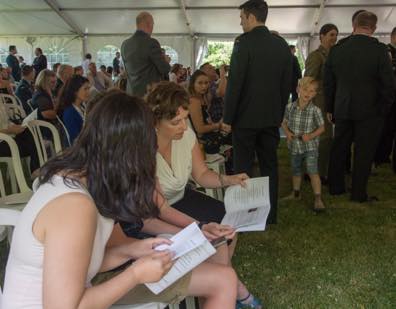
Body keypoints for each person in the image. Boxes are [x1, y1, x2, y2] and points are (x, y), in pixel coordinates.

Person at [2, 91, 238, 308]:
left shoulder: (84, 178)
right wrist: (135, 274)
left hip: (88, 288)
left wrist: (133, 250)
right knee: (222, 280)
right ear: (130, 152)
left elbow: (85, 263)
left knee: (223, 278)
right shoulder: (75, 205)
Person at [223, 0, 292, 224]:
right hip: (271, 116)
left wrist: (228, 117)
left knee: (242, 166)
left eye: (242, 18)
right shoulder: (281, 44)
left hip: (245, 118)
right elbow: (287, 84)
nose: (240, 22)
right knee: (269, 164)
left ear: (251, 17)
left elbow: (235, 84)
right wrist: (279, 111)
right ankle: (270, 215)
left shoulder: (243, 43)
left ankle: (244, 215)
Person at [324, 11, 395, 203]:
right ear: (374, 28)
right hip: (370, 111)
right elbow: (389, 85)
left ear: (353, 25)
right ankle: (358, 194)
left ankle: (336, 188)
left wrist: (330, 107)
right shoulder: (380, 51)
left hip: (343, 107)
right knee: (364, 152)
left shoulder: (338, 49)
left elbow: (328, 82)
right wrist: (383, 109)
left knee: (339, 148)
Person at [282, 77, 325, 211]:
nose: (308, 93)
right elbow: (284, 122)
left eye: (312, 91)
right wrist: (287, 133)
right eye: (305, 89)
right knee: (296, 170)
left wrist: (311, 135)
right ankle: (296, 193)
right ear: (298, 89)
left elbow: (322, 128)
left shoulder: (315, 110)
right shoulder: (290, 107)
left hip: (310, 147)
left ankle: (318, 198)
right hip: (295, 146)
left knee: (312, 171)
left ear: (315, 94)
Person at [304, 24, 338, 183]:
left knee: (326, 139)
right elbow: (309, 80)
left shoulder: (334, 54)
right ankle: (314, 173)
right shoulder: (316, 56)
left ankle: (319, 171)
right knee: (321, 139)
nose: (334, 38)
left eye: (336, 35)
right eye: (331, 35)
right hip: (319, 102)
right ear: (322, 36)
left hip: (330, 102)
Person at [121, 12, 171, 96]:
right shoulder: (152, 43)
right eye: (153, 24)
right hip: (149, 94)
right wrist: (166, 61)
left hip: (131, 94)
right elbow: (165, 69)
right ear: (149, 24)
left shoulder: (125, 44)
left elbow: (127, 71)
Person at [188, 70, 231, 155]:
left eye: (206, 83)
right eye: (200, 83)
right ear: (193, 84)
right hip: (204, 140)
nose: (204, 86)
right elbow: (200, 129)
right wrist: (219, 125)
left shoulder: (203, 98)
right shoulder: (194, 101)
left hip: (210, 134)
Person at [374, 26, 396, 168]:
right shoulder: (386, 51)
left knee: (392, 128)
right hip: (389, 95)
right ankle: (380, 155)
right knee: (386, 127)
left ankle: (386, 155)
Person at [0, 98, 40, 174]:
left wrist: (16, 126)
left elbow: (6, 121)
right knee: (32, 144)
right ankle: (36, 170)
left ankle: (36, 169)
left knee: (30, 133)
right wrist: (10, 130)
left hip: (9, 136)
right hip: (2, 141)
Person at [58, 75, 90, 144]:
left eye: (88, 89)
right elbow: (75, 139)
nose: (88, 92)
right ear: (75, 91)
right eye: (85, 89)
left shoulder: (81, 107)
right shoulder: (70, 112)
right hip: (78, 149)